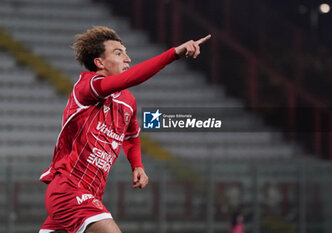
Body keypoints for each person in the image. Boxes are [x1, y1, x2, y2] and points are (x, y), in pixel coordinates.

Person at [38, 26, 211, 233]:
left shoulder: (127, 101)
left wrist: (137, 165)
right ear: (99, 62)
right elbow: (134, 78)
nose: (127, 59)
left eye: (126, 52)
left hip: (90, 194)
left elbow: (132, 136)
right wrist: (174, 54)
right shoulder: (86, 87)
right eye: (119, 53)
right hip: (68, 190)